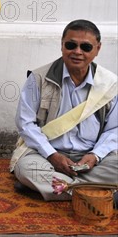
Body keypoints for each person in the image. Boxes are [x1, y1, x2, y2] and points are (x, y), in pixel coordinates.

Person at [11, 20, 117, 202]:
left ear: (97, 49)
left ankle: (58, 189)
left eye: (85, 47)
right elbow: (25, 123)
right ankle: (97, 194)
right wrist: (52, 155)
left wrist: (95, 155)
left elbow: (114, 129)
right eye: (71, 45)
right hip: (46, 154)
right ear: (62, 45)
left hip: (90, 157)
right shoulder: (39, 78)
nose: (77, 51)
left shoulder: (109, 84)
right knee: (27, 169)